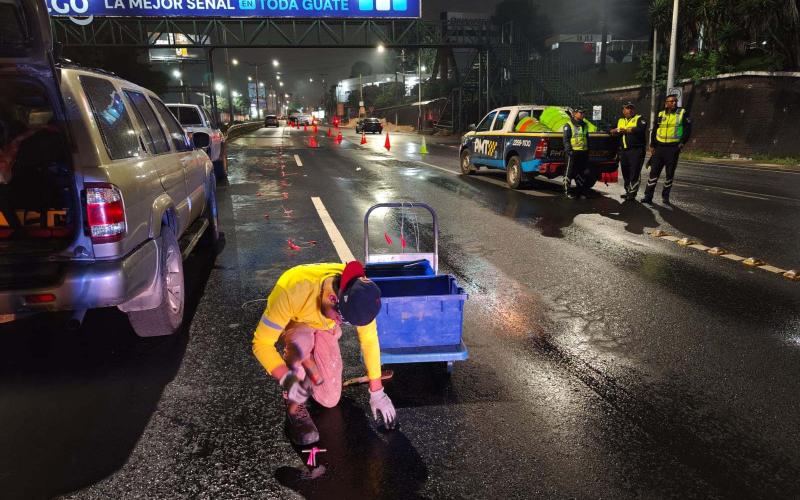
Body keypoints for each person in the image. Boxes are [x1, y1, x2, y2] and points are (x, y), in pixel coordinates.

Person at [252, 261, 397, 445]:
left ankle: (309, 359)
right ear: (332, 298)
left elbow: (369, 341)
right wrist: (288, 379)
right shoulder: (290, 290)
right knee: (301, 344)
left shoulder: (358, 294)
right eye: (340, 319)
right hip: (298, 323)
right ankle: (294, 394)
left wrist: (377, 392)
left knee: (329, 399)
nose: (341, 323)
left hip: (324, 326)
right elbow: (261, 344)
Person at [643, 94, 692, 205]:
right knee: (653, 173)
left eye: (675, 101)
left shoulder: (682, 113)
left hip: (672, 148)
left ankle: (665, 197)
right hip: (659, 148)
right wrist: (652, 145)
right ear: (666, 103)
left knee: (669, 174)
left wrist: (682, 143)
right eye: (671, 101)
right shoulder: (661, 114)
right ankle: (648, 196)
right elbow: (655, 130)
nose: (674, 103)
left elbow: (688, 130)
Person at [610, 103, 647, 200]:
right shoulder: (619, 119)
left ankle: (632, 194)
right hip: (624, 151)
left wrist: (627, 130)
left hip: (636, 150)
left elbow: (641, 129)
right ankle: (628, 191)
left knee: (634, 172)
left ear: (634, 110)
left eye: (631, 108)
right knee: (625, 172)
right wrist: (613, 131)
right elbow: (610, 129)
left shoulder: (639, 118)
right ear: (623, 110)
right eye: (627, 108)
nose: (629, 110)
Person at [562, 107, 590, 199]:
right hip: (572, 152)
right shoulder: (568, 125)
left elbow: (586, 138)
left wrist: (588, 150)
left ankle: (581, 191)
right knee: (568, 172)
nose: (582, 114)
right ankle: (567, 192)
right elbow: (566, 139)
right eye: (580, 112)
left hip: (583, 152)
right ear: (574, 113)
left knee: (582, 172)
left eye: (583, 112)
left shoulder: (585, 125)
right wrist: (569, 150)